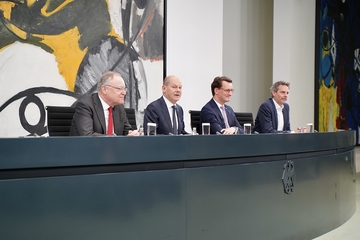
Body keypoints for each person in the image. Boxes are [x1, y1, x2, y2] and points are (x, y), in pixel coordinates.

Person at [69, 71, 138, 136]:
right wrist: (113, 139)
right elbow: (87, 135)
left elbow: (126, 130)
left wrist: (131, 134)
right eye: (119, 89)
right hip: (90, 148)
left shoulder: (119, 107)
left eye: (124, 89)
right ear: (104, 89)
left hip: (114, 148)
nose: (124, 93)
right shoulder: (86, 105)